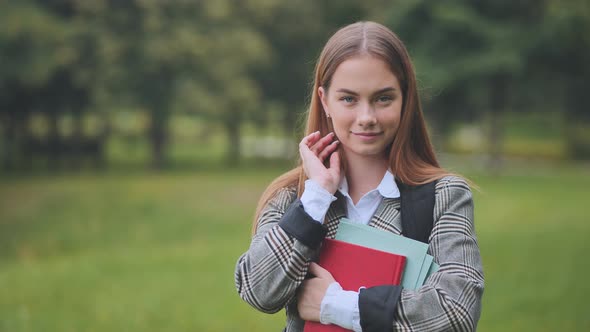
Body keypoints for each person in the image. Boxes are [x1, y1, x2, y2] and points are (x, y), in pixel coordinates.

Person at [234, 21, 484, 332]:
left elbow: (457, 312)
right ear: (325, 101)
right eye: (349, 99)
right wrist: (316, 197)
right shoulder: (294, 196)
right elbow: (259, 292)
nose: (367, 118)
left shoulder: (444, 195)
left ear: (405, 99)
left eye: (383, 98)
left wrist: (336, 305)